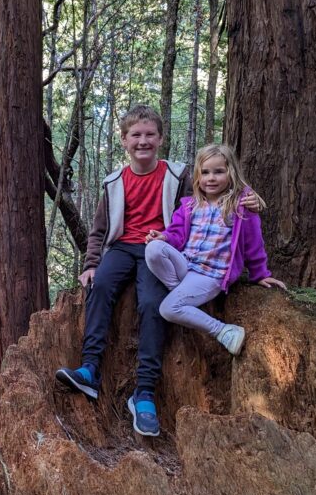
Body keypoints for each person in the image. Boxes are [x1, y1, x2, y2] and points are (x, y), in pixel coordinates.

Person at [54, 106, 260, 438]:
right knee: (101, 286)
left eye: (150, 134)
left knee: (152, 304)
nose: (143, 141)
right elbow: (99, 230)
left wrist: (247, 199)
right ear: (123, 140)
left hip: (162, 251)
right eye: (135, 135)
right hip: (122, 248)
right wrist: (91, 264)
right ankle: (90, 370)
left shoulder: (177, 176)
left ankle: (145, 392)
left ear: (161, 139)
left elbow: (211, 198)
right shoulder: (113, 182)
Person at [144, 143, 286, 361]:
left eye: (218, 172)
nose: (211, 178)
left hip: (210, 275)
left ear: (231, 173)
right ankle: (180, 292)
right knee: (153, 248)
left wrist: (261, 274)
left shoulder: (239, 206)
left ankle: (224, 331)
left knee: (168, 309)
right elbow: (176, 235)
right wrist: (163, 237)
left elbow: (253, 244)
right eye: (205, 172)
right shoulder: (190, 205)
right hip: (186, 266)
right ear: (198, 176)